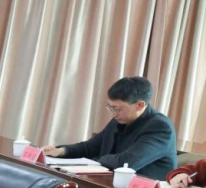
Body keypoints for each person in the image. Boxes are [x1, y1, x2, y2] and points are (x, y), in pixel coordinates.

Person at [43, 76, 178, 179]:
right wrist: (61, 151)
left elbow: (126, 163)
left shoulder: (160, 127)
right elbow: (90, 147)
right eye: (110, 107)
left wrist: (99, 159)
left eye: (117, 109)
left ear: (140, 105)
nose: (113, 114)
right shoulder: (119, 119)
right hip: (111, 184)